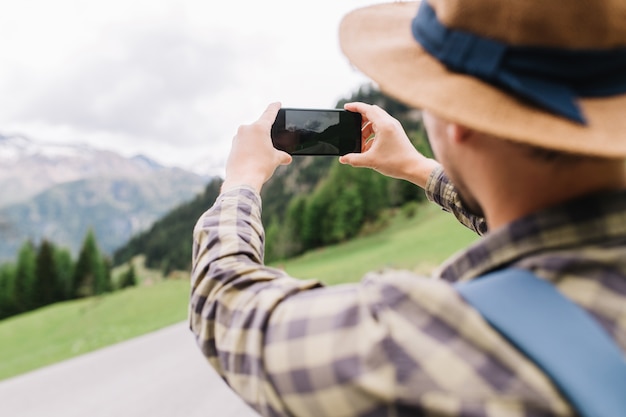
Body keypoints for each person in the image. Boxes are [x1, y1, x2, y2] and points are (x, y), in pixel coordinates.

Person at [189, 1, 626, 416]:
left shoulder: (419, 344)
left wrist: (241, 182)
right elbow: (541, 221)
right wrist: (417, 168)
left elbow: (228, 310)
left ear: (459, 121)